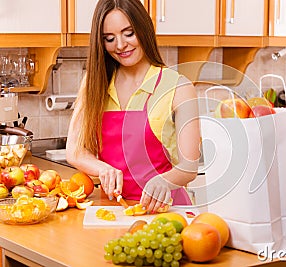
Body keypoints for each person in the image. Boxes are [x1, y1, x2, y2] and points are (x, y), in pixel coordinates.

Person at [66, 0, 200, 213]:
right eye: (109, 38)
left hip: (168, 211)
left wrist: (163, 181)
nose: (120, 45)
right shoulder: (94, 84)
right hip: (112, 210)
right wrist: (104, 169)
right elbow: (75, 151)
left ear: (144, 29)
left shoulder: (178, 86)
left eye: (128, 33)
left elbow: (189, 167)